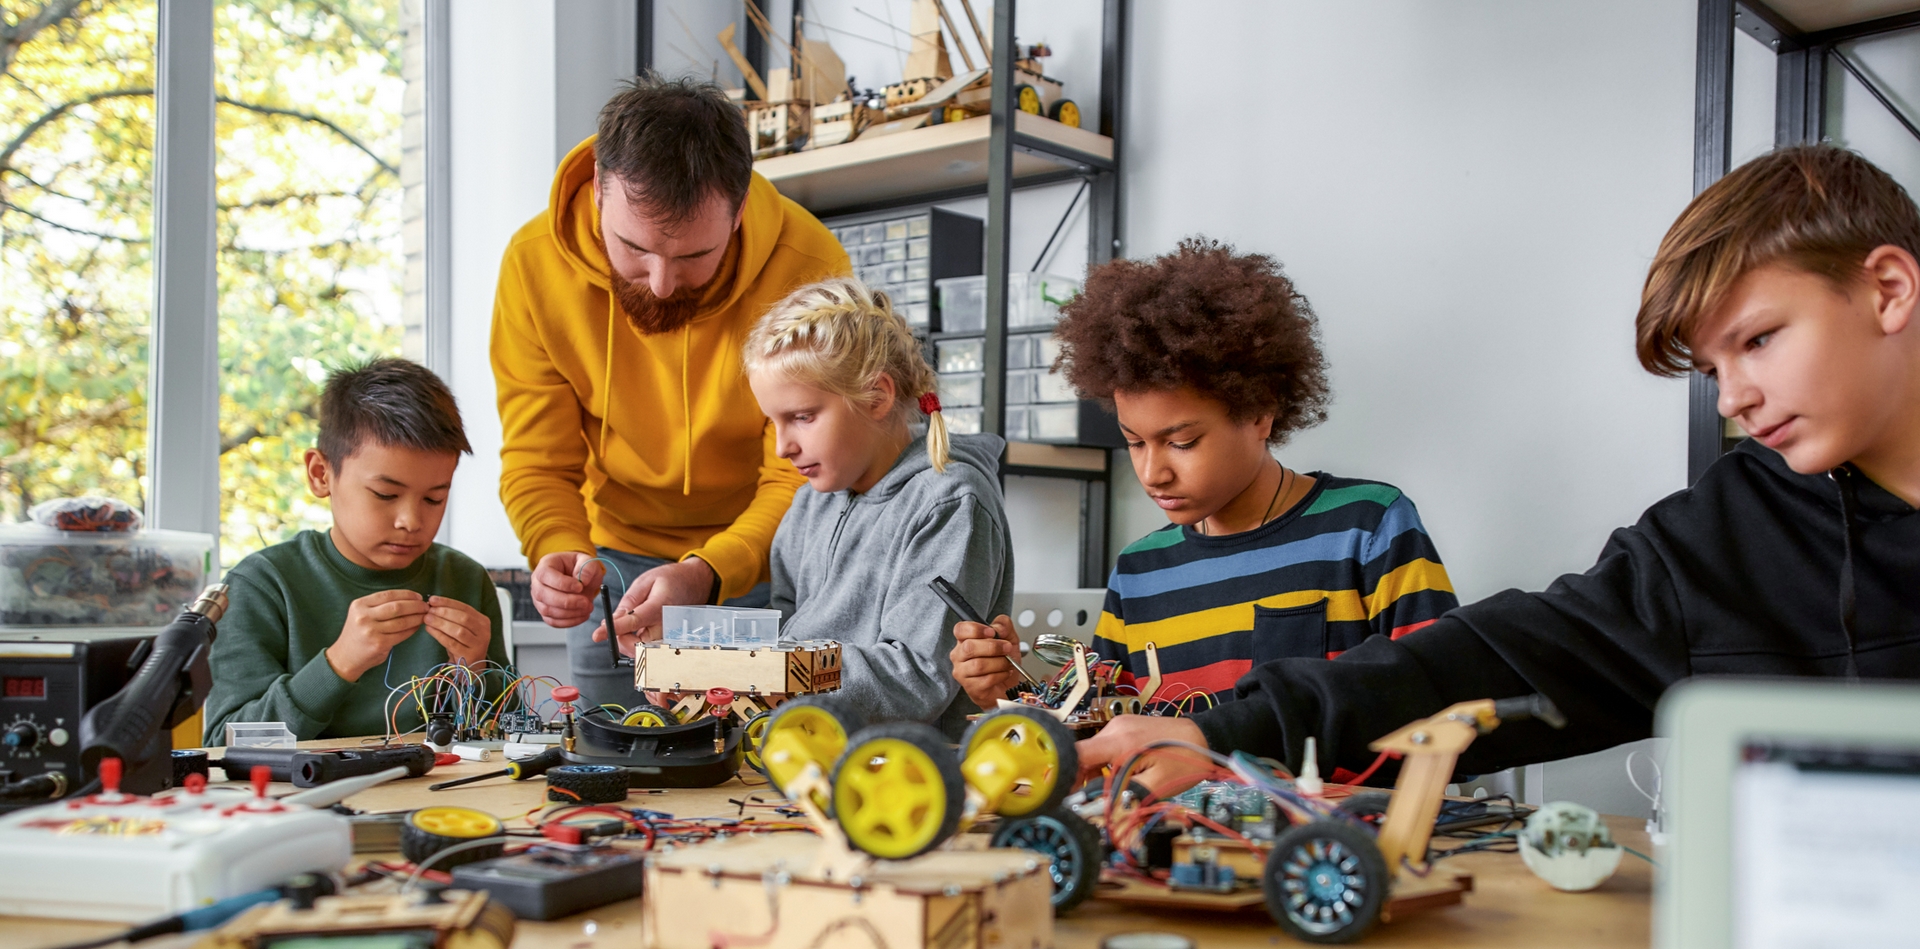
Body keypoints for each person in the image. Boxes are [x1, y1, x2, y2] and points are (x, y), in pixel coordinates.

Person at [1083, 144, 1920, 787]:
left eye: (1760, 340)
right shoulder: (1735, 534)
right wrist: (1221, 733)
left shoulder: (1367, 521)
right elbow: (1488, 659)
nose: (1732, 398)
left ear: (1887, 289)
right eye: (1712, 369)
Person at [950, 239, 1458, 763]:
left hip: (1334, 831)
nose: (1153, 472)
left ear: (1260, 413)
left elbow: (1444, 706)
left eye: (1182, 442)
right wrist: (1009, 692)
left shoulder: (1368, 530)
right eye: (1135, 441)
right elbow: (1101, 734)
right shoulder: (1140, 572)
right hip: (1177, 831)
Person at [491, 75, 849, 708]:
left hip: (761, 556)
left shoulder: (809, 266)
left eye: (693, 257)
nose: (659, 283)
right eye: (634, 247)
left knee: (752, 771)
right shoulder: (531, 264)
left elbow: (803, 470)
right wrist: (558, 551)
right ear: (600, 185)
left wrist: (709, 572)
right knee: (608, 755)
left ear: (738, 212)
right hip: (608, 561)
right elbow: (538, 460)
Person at [733, 277, 1012, 738]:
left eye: (802, 417)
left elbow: (916, 679)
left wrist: (768, 672)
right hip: (803, 752)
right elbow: (785, 630)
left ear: (877, 397)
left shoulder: (950, 502)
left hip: (907, 770)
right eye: (774, 422)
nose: (783, 447)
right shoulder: (810, 501)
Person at [205, 359, 508, 743]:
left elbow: (508, 741)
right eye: (386, 494)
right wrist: (339, 663)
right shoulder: (262, 585)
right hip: (305, 798)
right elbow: (223, 744)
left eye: (435, 498)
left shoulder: (464, 579)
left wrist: (477, 670)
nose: (410, 521)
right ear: (321, 474)